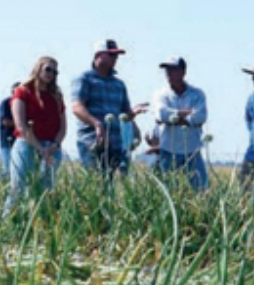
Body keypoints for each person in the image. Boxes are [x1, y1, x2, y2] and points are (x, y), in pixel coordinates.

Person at [70, 39, 148, 174]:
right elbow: (77, 107)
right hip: (92, 143)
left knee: (114, 187)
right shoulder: (84, 79)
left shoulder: (119, 84)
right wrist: (97, 124)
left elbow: (125, 114)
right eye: (111, 55)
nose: (115, 58)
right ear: (98, 55)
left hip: (116, 144)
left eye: (116, 55)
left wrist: (134, 119)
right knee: (96, 185)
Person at [4, 58, 66, 212]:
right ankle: (7, 227)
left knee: (46, 191)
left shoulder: (56, 95)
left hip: (51, 147)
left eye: (54, 71)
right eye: (48, 69)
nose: (51, 74)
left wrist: (55, 145)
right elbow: (21, 125)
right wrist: (39, 148)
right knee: (18, 188)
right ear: (38, 69)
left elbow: (63, 126)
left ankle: (43, 227)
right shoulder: (23, 91)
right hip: (27, 144)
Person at [151, 57, 209, 190]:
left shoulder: (197, 94)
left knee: (201, 190)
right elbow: (161, 114)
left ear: (183, 72)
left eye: (173, 70)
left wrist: (173, 118)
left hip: (192, 150)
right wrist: (187, 115)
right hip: (168, 150)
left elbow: (201, 116)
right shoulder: (161, 94)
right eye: (167, 70)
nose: (169, 74)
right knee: (169, 191)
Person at [0, 85, 18, 178]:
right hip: (7, 140)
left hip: (19, 140)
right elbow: (5, 122)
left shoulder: (25, 104)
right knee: (7, 167)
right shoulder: (6, 103)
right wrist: (22, 124)